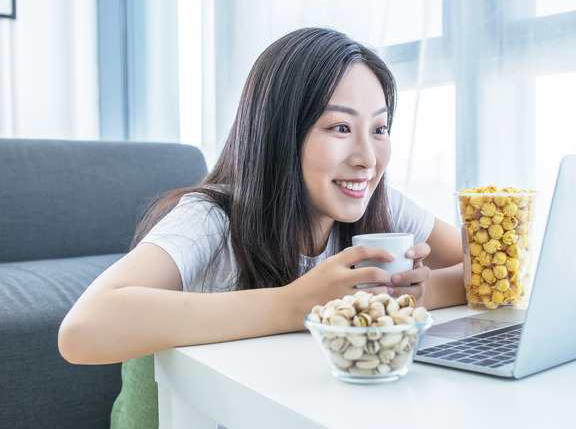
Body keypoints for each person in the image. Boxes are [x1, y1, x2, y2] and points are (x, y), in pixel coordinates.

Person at [58, 27, 465, 427]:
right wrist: (296, 304)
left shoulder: (373, 203)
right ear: (280, 133)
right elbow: (83, 330)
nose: (368, 159)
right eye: (340, 127)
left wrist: (403, 297)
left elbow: (485, 272)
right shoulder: (210, 217)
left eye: (379, 129)